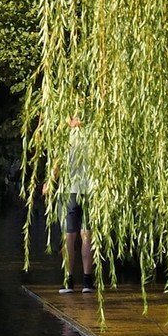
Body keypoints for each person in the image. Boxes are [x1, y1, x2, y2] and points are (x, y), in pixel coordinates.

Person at [62, 115, 95, 293]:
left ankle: (68, 280)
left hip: (70, 190)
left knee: (70, 235)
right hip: (90, 189)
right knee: (86, 235)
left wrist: (49, 181)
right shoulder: (94, 134)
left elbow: (57, 162)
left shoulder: (65, 136)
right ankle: (87, 282)